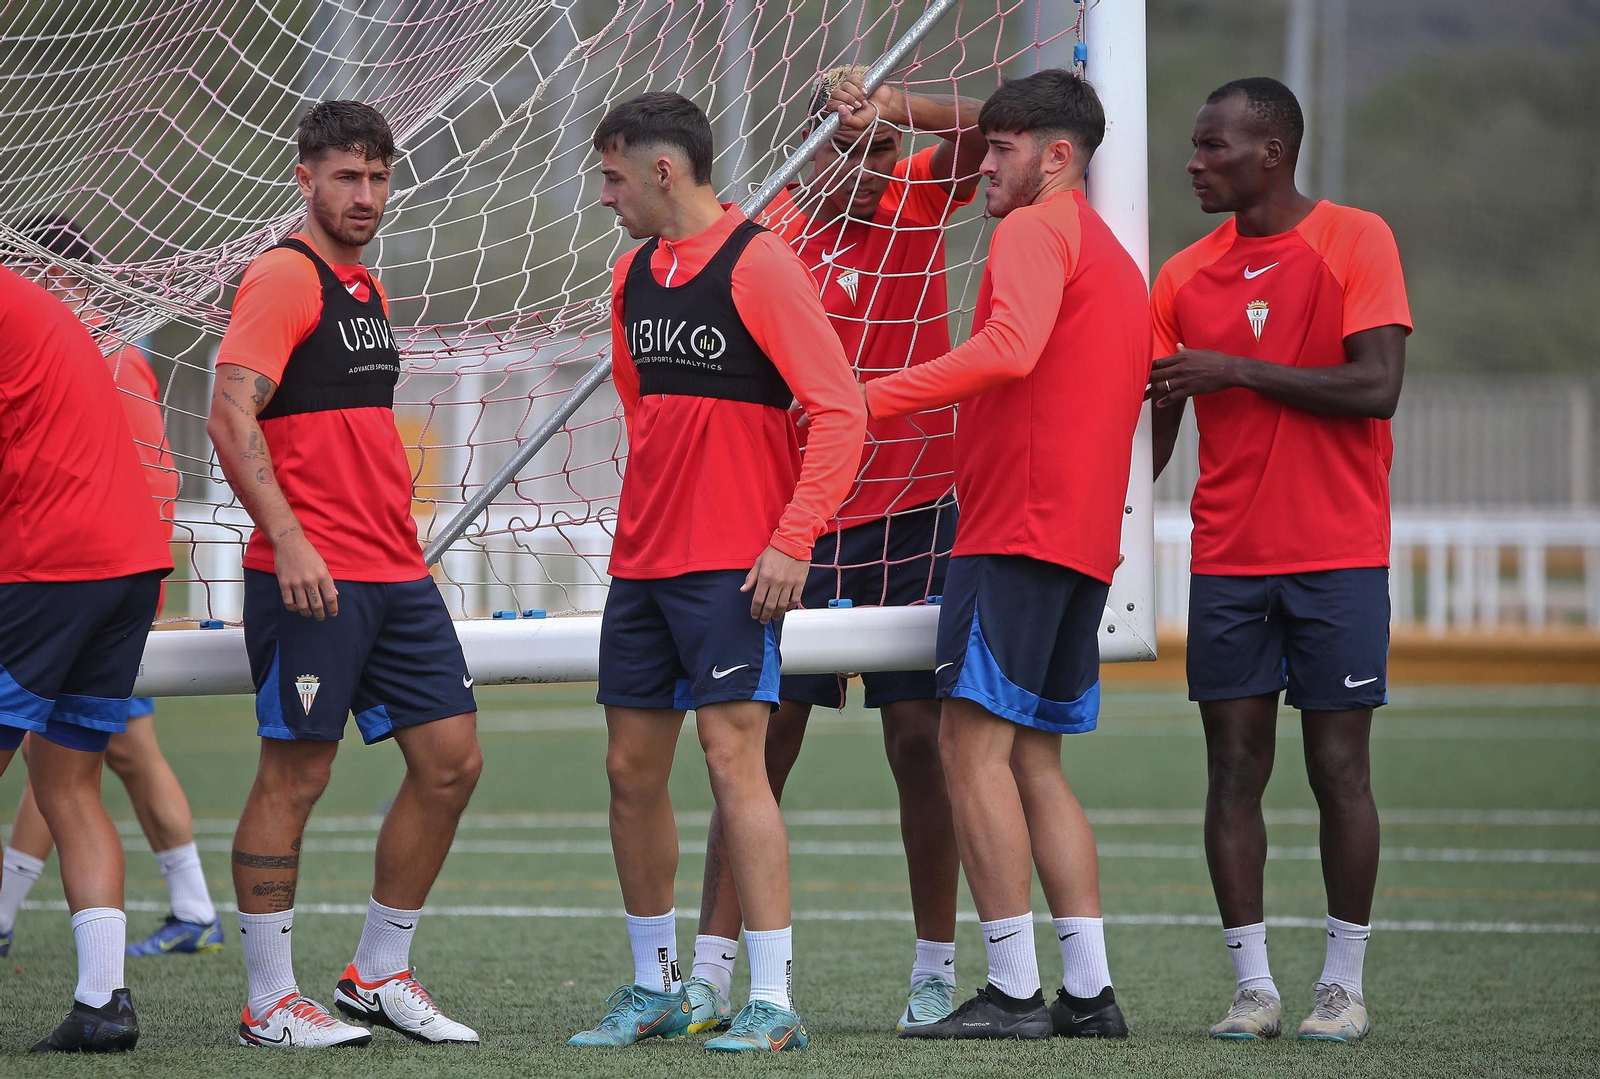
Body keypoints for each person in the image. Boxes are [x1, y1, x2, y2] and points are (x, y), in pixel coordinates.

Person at [684, 66, 987, 1034]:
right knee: (760, 741)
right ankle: (708, 971)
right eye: (851, 148)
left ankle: (934, 968)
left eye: (885, 149)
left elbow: (999, 125)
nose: (873, 168)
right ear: (810, 150)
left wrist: (897, 106)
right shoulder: (762, 235)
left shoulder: (918, 197)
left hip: (916, 511)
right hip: (795, 524)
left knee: (920, 741)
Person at [569, 91, 864, 1054]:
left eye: (614, 176)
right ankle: (659, 986)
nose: (605, 196)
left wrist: (792, 538)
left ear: (664, 170)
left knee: (736, 765)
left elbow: (841, 411)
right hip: (642, 564)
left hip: (736, 568)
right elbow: (642, 409)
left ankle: (772, 1001)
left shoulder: (760, 262)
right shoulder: (631, 276)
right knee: (627, 772)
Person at [864, 69, 1149, 1041]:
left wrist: (870, 397)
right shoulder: (1112, 253)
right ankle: (1089, 993)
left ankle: (1016, 992)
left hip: (1018, 530)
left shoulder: (1033, 231)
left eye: (1000, 149)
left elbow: (1009, 347)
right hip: (1080, 539)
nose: (982, 165)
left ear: (1056, 156)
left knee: (968, 749)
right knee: (1034, 759)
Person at [206, 100, 482, 1048]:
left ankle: (377, 972)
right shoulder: (285, 276)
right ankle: (268, 1001)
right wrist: (286, 537)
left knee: (452, 762)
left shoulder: (367, 287)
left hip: (393, 570)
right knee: (297, 774)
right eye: (346, 177)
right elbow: (229, 415)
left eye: (378, 176)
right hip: (311, 576)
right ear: (306, 178)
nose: (365, 194)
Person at [1148, 76, 1410, 1044]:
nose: (1194, 162)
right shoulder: (1179, 276)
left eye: (1212, 145)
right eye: (1194, 144)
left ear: (1272, 152)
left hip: (1338, 554)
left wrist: (1236, 369)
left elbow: (1377, 386)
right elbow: (1149, 438)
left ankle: (1341, 986)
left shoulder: (1357, 238)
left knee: (1339, 769)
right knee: (1231, 771)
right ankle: (1253, 988)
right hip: (1227, 560)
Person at [0, 216, 221, 961]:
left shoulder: (92, 348)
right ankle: (170, 923)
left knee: (83, 757)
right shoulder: (97, 343)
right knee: (81, 761)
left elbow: (149, 471)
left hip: (78, 575)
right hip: (112, 573)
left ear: (54, 275)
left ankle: (188, 907)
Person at [0, 257, 173, 1050]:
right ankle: (103, 1003)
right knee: (68, 784)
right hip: (129, 563)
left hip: (53, 563)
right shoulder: (40, 308)